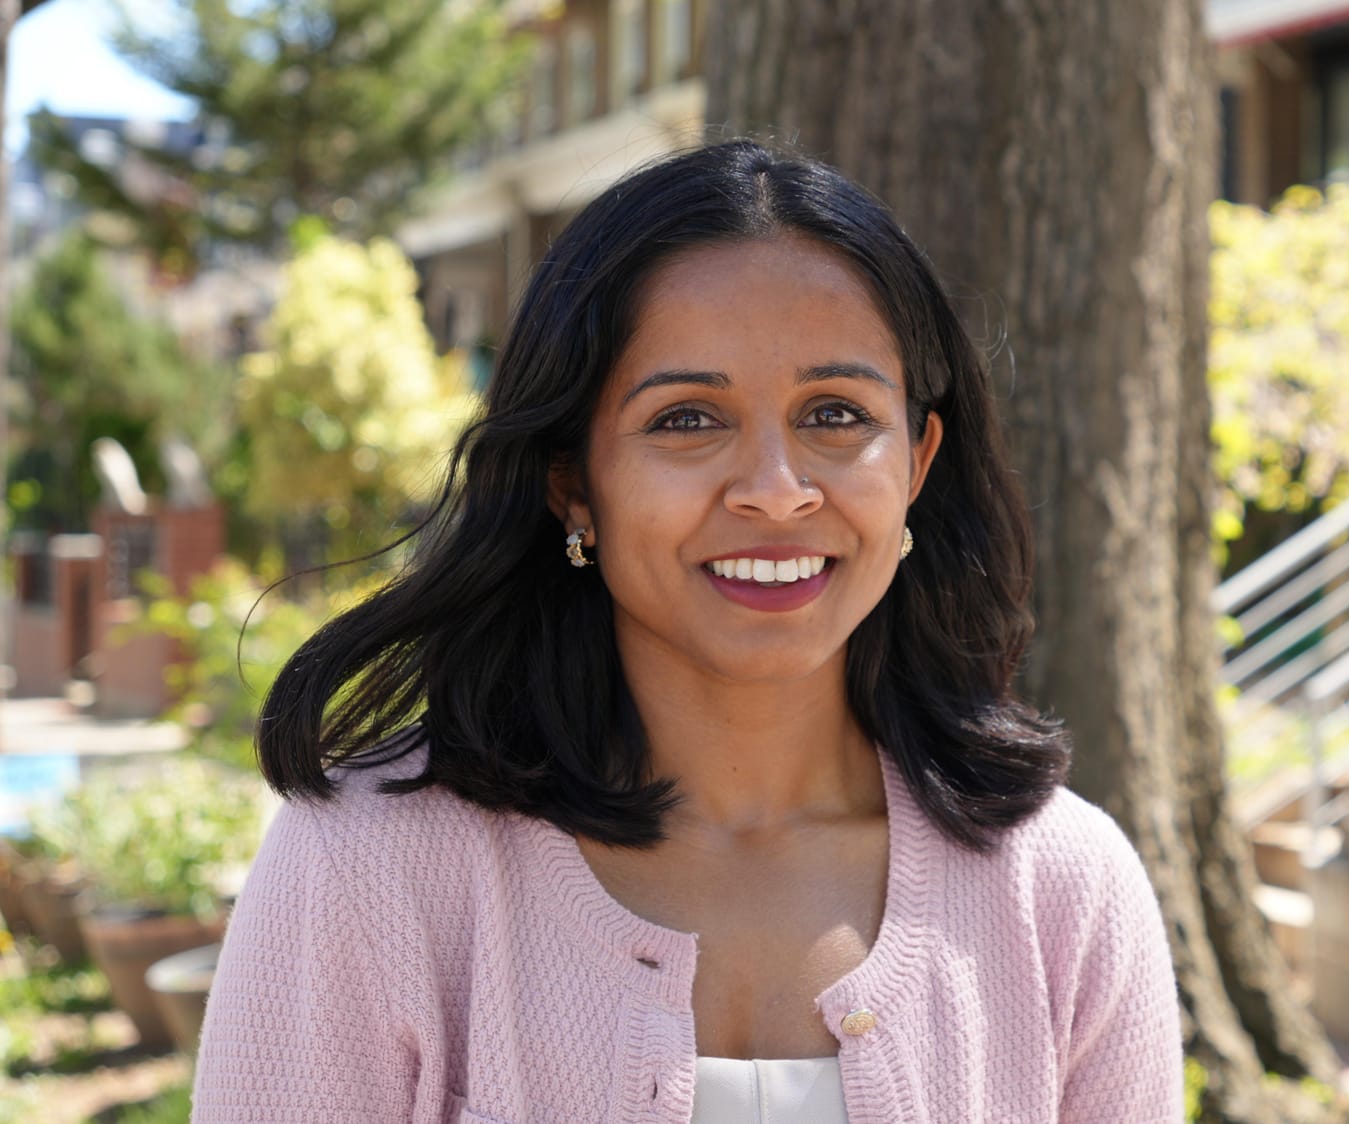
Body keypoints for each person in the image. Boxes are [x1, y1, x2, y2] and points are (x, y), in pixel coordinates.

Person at [190, 139, 1182, 1123]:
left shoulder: (1063, 890)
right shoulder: (368, 867)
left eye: (834, 413)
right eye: (685, 419)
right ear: (572, 480)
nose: (774, 492)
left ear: (917, 462)